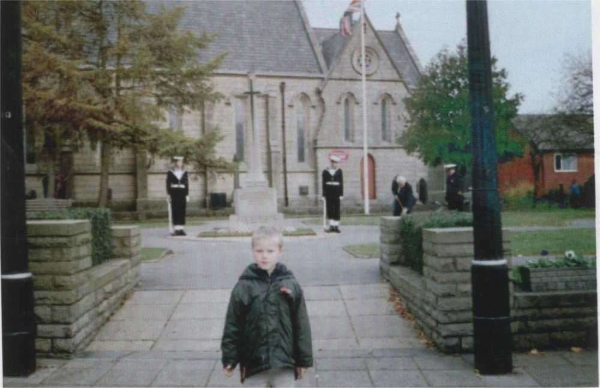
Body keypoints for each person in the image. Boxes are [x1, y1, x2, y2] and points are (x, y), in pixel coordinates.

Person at [221, 226, 313, 387]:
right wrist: (230, 358)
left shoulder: (291, 285)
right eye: (259, 251)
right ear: (252, 251)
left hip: (284, 363)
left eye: (270, 251)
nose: (264, 256)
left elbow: (301, 324)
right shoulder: (243, 286)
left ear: (280, 251)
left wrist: (304, 359)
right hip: (254, 364)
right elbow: (233, 324)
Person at [166, 156, 189, 236]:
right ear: (175, 163)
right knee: (175, 209)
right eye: (179, 162)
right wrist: (168, 194)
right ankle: (176, 229)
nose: (180, 163)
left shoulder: (185, 172)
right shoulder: (170, 172)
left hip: (182, 192)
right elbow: (168, 184)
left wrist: (187, 194)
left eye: (181, 162)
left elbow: (186, 184)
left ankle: (181, 228)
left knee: (182, 210)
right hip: (174, 192)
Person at [322, 155, 344, 233]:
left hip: (337, 192)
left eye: (336, 163)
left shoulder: (339, 171)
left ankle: (336, 226)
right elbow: (323, 184)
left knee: (336, 209)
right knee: (330, 209)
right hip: (329, 192)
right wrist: (323, 195)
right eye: (334, 163)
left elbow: (341, 183)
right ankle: (331, 226)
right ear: (331, 163)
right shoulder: (325, 171)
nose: (335, 164)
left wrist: (341, 194)